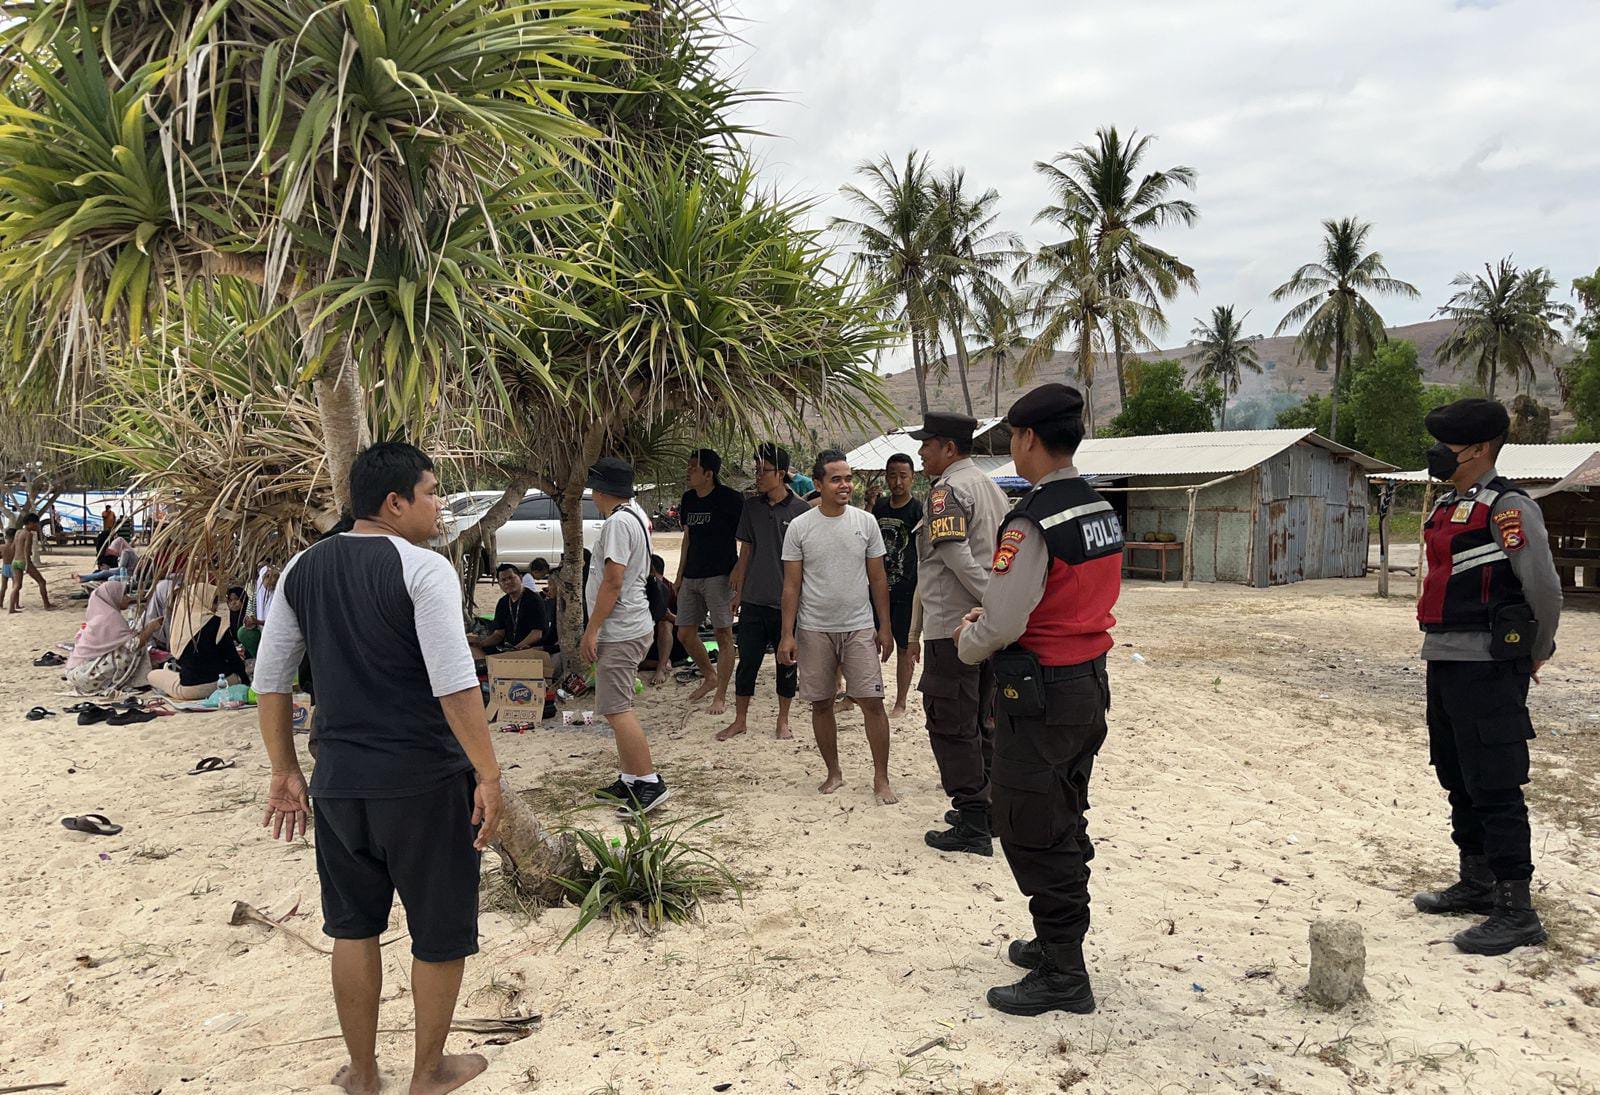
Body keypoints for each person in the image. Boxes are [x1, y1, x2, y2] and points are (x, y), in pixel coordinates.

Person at [254, 442, 503, 1095]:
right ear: (395, 502)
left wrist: (284, 768)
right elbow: (455, 684)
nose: (440, 504)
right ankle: (428, 1071)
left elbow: (271, 680)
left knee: (353, 927)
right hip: (422, 781)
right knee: (439, 931)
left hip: (338, 783)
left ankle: (363, 1073)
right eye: (431, 491)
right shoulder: (424, 569)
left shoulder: (302, 568)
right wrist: (489, 772)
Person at [956, 383, 1123, 1016]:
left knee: (1030, 824)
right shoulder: (1098, 507)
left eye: (1013, 440)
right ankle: (1059, 940)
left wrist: (970, 638)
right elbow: (1066, 596)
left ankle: (1064, 972)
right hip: (1086, 682)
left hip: (1040, 693)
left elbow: (1000, 625)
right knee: (1064, 810)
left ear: (1027, 438)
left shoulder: (1031, 520)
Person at [1410, 398, 1563, 956]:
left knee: (1496, 782)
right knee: (1457, 773)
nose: (1436, 454)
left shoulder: (1509, 507)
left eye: (1447, 444)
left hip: (1490, 665)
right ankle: (1475, 882)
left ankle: (1516, 909)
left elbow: (1543, 588)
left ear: (1476, 449)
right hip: (1445, 657)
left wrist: (1537, 651)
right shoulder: (1453, 502)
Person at [907, 413, 1011, 856]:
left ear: (949, 448)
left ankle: (971, 818)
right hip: (983, 625)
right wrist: (997, 605)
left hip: (953, 625)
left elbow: (952, 553)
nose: (921, 452)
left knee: (951, 723)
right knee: (981, 719)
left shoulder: (946, 492)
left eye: (926, 444)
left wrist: (991, 597)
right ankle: (986, 809)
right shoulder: (993, 488)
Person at [777, 449, 897, 804]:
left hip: (860, 627)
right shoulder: (800, 527)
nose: (845, 485)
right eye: (836, 479)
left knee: (872, 702)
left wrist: (884, 627)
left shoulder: (866, 522)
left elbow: (878, 579)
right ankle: (834, 772)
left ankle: (881, 777)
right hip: (814, 629)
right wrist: (787, 633)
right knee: (821, 702)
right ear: (818, 484)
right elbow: (791, 585)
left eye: (848, 478)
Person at [579, 457, 670, 813]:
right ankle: (631, 779)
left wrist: (592, 628)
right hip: (633, 622)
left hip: (620, 628)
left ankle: (648, 781)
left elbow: (613, 580)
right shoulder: (636, 514)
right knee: (615, 706)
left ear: (600, 491)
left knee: (617, 709)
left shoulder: (617, 523)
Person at [718, 444, 811, 742]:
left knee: (787, 664)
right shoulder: (751, 507)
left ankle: (783, 721)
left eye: (764, 470)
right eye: (756, 469)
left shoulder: (801, 510)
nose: (758, 475)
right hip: (754, 599)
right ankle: (740, 719)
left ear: (781, 474)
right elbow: (746, 550)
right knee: (748, 663)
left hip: (788, 604)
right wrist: (738, 593)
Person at [673, 448, 742, 713]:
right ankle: (709, 676)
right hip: (692, 575)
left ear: (709, 473)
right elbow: (688, 539)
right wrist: (679, 576)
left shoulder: (730, 499)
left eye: (693, 467)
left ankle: (721, 695)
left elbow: (746, 540)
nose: (688, 471)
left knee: (723, 634)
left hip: (720, 575)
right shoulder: (688, 499)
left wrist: (739, 573)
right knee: (685, 633)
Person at [871, 453, 924, 720]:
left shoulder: (918, 510)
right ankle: (862, 694)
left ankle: (901, 701)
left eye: (903, 475)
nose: (897, 481)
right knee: (867, 643)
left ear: (912, 478)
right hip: (876, 589)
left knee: (904, 646)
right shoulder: (879, 508)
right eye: (893, 475)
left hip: (906, 589)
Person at [148, 585, 250, 699]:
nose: (216, 607)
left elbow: (180, 660)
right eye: (214, 602)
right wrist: (245, 682)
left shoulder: (180, 626)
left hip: (191, 690)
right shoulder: (218, 623)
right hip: (224, 682)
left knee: (152, 675)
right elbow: (233, 658)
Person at [63, 580, 163, 695]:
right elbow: (134, 644)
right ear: (113, 597)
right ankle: (119, 681)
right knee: (129, 651)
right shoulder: (111, 617)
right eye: (123, 595)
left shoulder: (100, 613)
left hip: (75, 673)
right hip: (85, 675)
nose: (127, 598)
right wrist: (151, 628)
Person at [468, 564, 547, 657]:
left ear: (520, 578)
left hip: (528, 649)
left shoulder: (534, 600)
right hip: (507, 649)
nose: (508, 582)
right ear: (499, 584)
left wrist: (514, 650)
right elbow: (499, 634)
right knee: (471, 649)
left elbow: (537, 634)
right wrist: (480, 644)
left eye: (511, 578)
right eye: (503, 580)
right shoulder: (503, 602)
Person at [642, 554, 684, 684]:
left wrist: (670, 617)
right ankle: (658, 663)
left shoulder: (672, 590)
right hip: (646, 640)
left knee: (665, 623)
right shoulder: (641, 588)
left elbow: (688, 624)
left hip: (670, 642)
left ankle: (661, 667)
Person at [7, 513, 54, 613]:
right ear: (30, 523)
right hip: (24, 562)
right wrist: (28, 564)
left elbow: (13, 547)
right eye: (36, 524)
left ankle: (12, 608)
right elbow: (27, 551)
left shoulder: (18, 532)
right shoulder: (28, 534)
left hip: (15, 561)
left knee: (16, 585)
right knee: (42, 582)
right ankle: (47, 605)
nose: (37, 526)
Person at [237, 564, 278, 657]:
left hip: (277, 633)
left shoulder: (279, 596)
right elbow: (250, 612)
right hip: (260, 630)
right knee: (243, 633)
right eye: (267, 577)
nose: (272, 580)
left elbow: (277, 622)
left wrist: (258, 621)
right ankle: (257, 656)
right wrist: (249, 620)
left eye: (275, 576)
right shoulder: (256, 595)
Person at [1, 529, 16, 607]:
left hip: (5, 567)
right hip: (14, 567)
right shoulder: (16, 546)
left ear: (6, 536)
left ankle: (0, 603)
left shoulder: (2, 547)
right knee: (15, 586)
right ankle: (16, 604)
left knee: (3, 587)